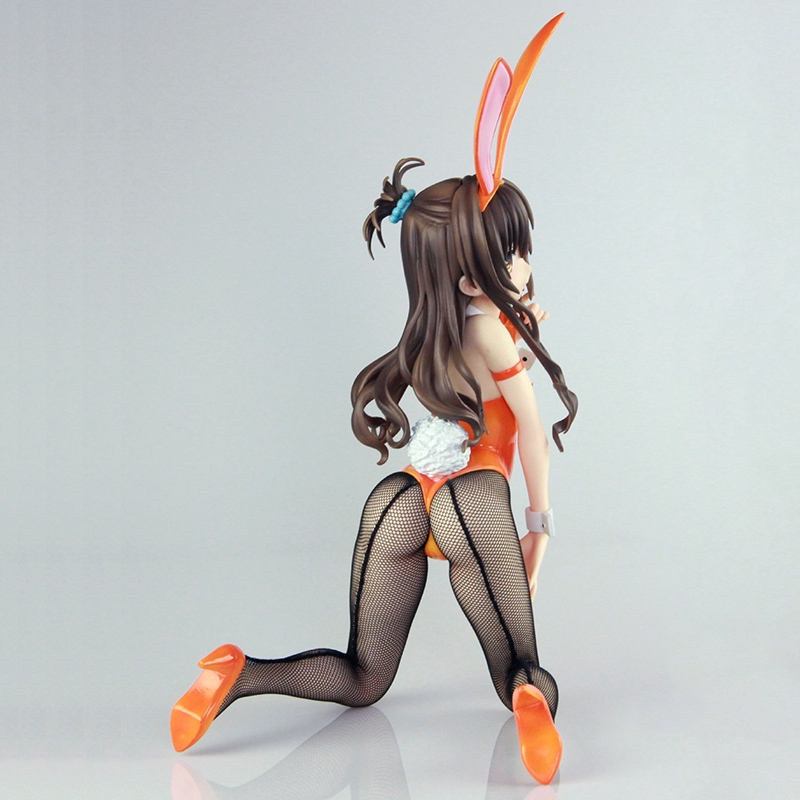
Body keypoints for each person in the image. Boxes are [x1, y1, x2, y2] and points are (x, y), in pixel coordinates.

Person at [170, 15, 577, 785]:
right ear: (471, 277)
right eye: (513, 251)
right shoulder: (493, 336)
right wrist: (540, 524)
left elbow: (491, 350)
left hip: (403, 498)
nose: (526, 262)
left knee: (362, 675)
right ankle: (530, 704)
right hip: (472, 501)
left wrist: (519, 320)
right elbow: (526, 426)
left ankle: (238, 673)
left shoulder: (438, 326)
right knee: (519, 666)